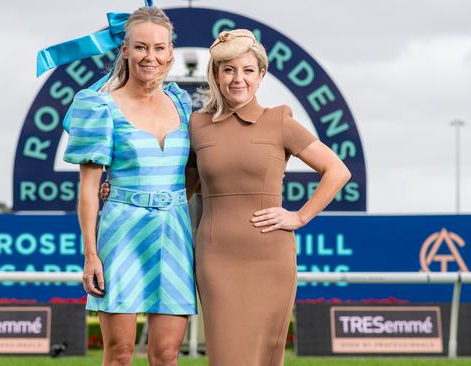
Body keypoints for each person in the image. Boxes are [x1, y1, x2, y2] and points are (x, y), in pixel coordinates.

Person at [186, 29, 352, 365]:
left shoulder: (279, 121)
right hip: (216, 259)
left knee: (265, 357)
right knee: (227, 357)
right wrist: (118, 187)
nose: (238, 79)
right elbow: (180, 187)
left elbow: (337, 171)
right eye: (228, 69)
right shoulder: (197, 125)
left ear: (261, 75)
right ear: (216, 74)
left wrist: (299, 216)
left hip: (270, 257)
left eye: (248, 70)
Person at [63, 6, 196, 366]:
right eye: (140, 47)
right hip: (122, 234)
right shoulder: (99, 106)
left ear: (170, 52)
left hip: (175, 234)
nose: (149, 56)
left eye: (158, 48)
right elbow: (89, 190)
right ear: (124, 49)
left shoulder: (183, 105)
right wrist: (91, 254)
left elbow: (198, 172)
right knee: (120, 354)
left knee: (167, 354)